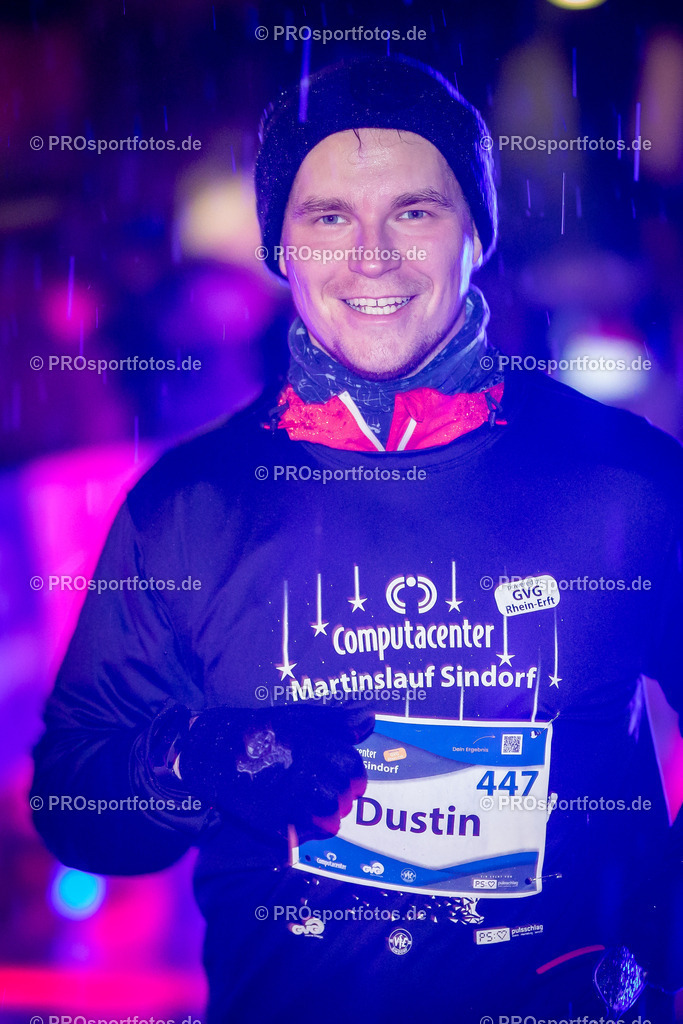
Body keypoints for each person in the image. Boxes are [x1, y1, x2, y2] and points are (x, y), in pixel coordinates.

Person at [32, 55, 682, 1023]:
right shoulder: (190, 505)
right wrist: (194, 758)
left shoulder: (621, 480)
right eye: (327, 217)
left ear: (474, 235)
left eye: (414, 212)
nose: (369, 255)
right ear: (280, 246)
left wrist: (652, 925)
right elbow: (70, 796)